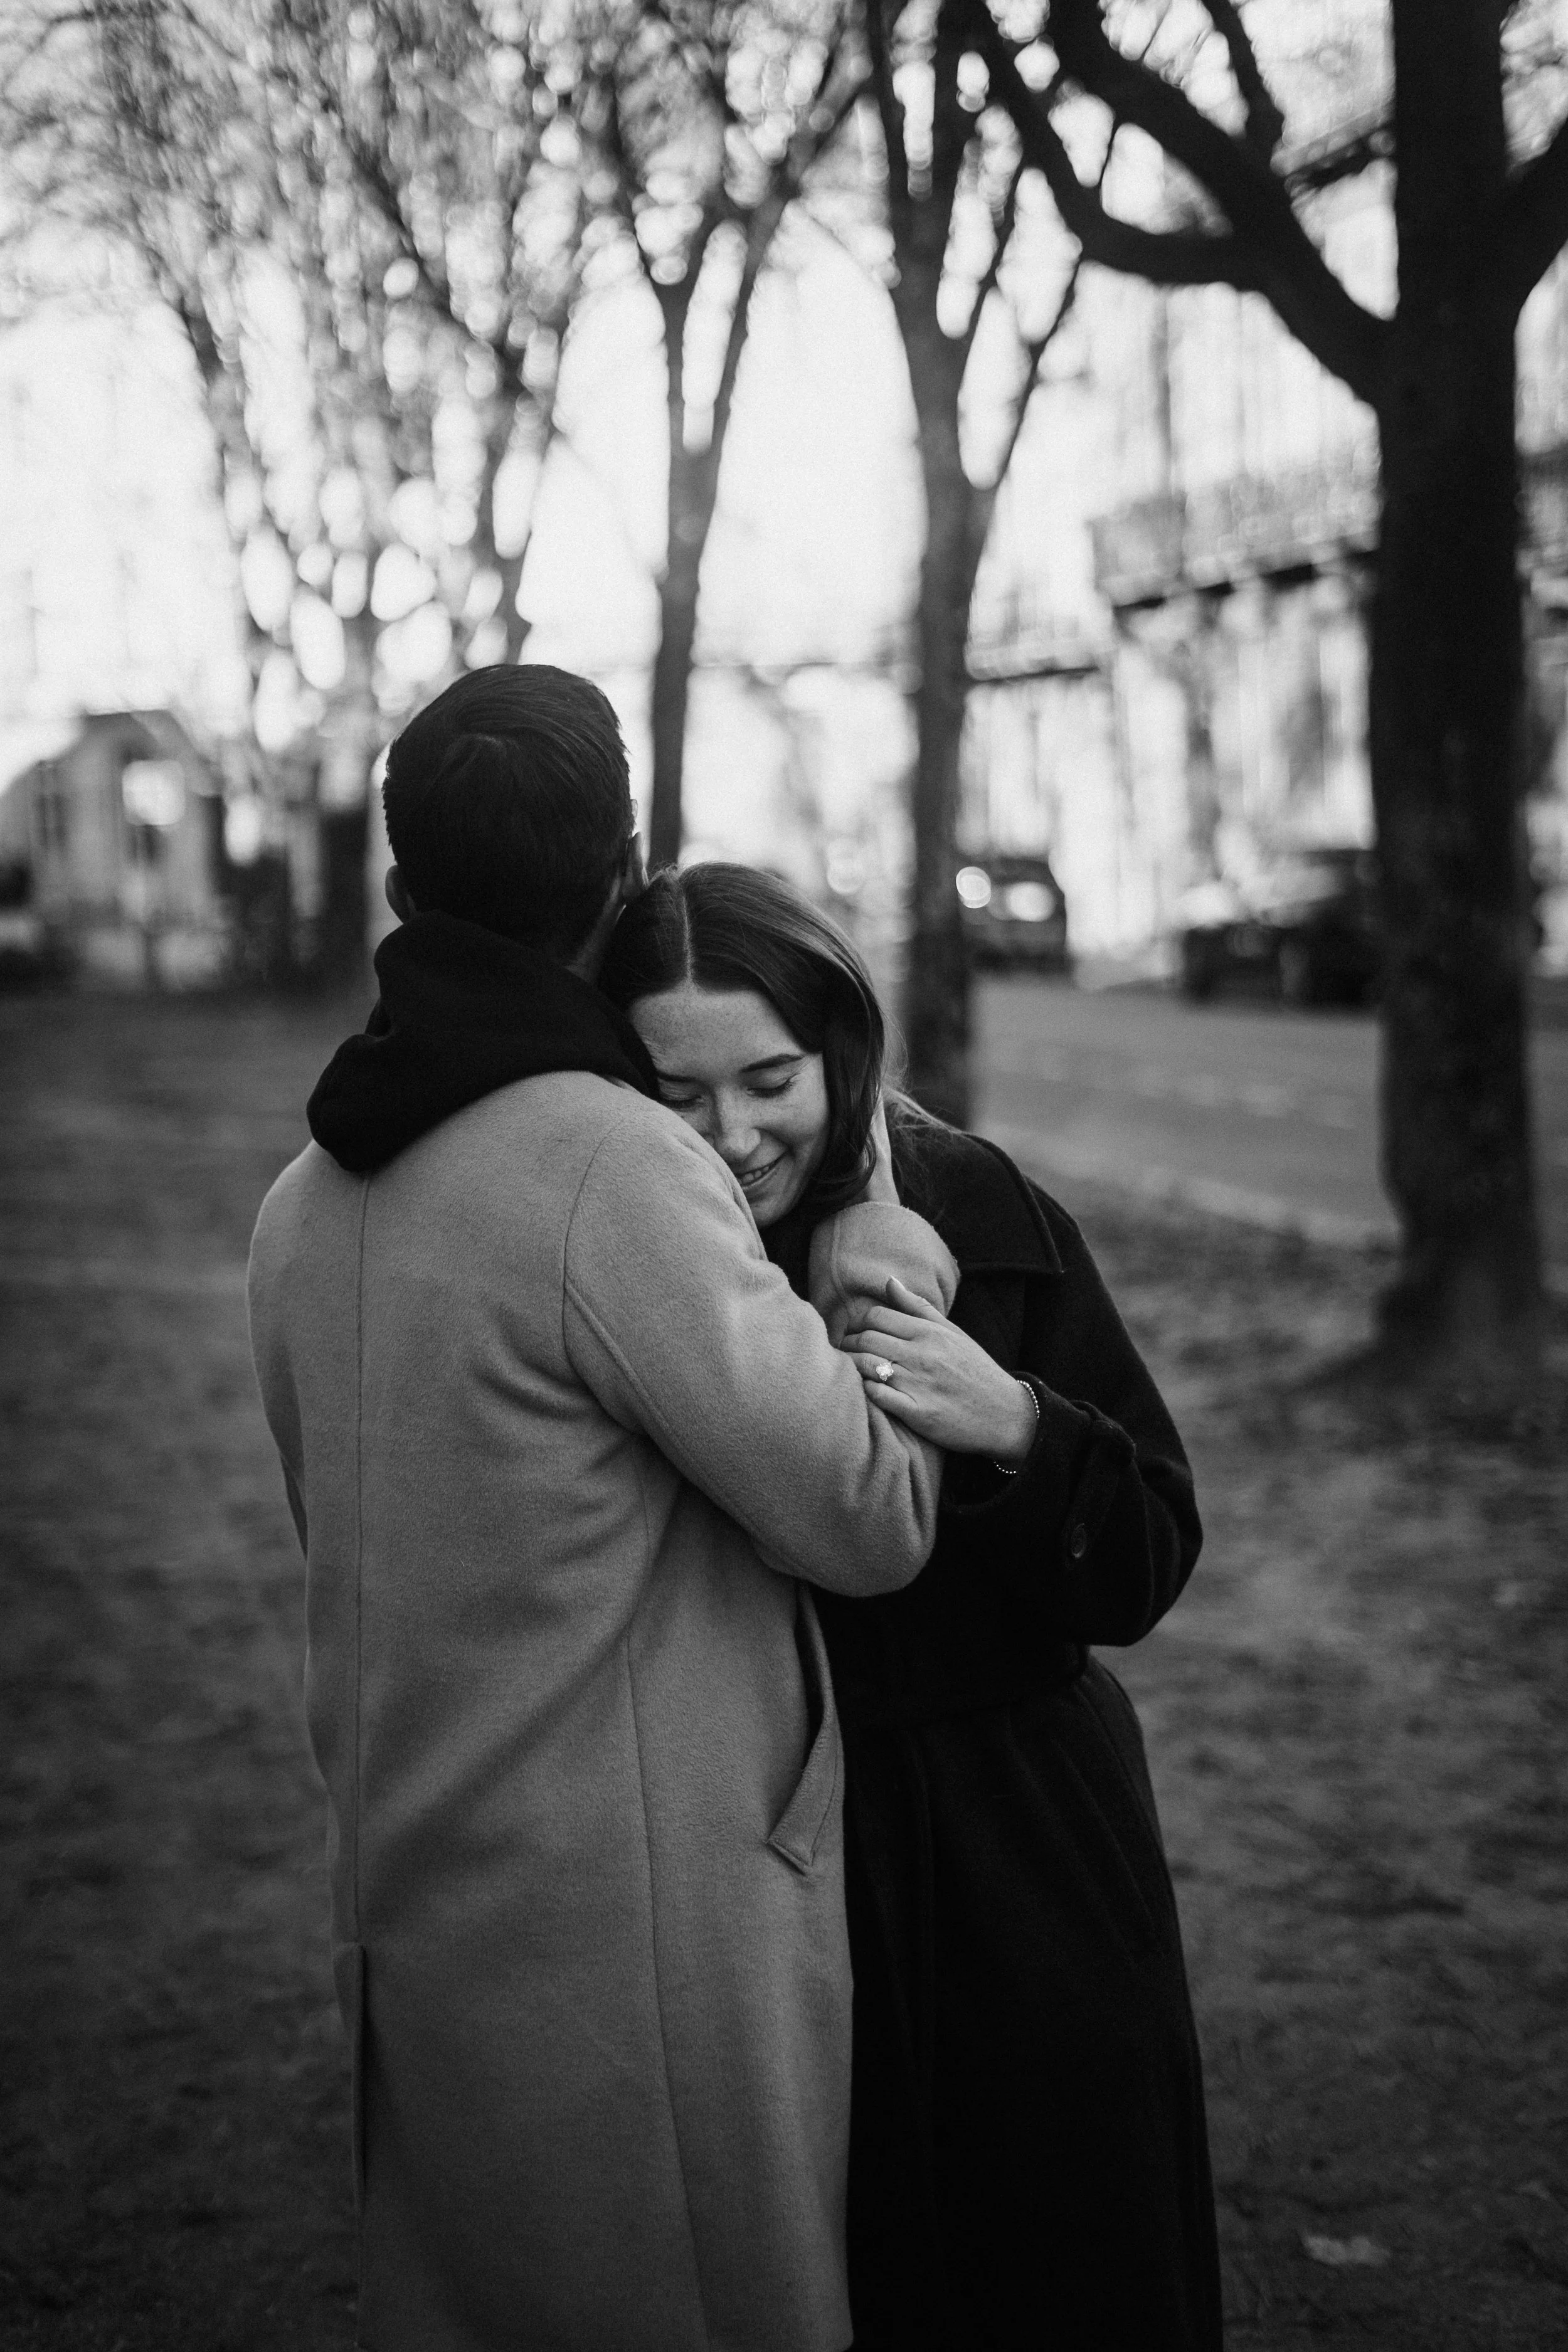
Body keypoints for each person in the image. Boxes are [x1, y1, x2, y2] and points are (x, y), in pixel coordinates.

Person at [246, 667, 962, 2352]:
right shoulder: (607, 1167)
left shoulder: (298, 1202)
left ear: (401, 896)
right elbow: (870, 1510)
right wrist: (872, 1241)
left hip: (421, 1897)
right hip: (638, 1942)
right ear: (624, 873)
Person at [600, 861, 1224, 2352]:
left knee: (1066, 2265)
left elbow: (1146, 1550)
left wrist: (1015, 1423)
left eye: (770, 1079)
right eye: (675, 1094)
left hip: (1022, 1839)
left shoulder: (975, 1203)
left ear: (839, 1052)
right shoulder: (611, 1256)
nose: (734, 1136)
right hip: (767, 1862)